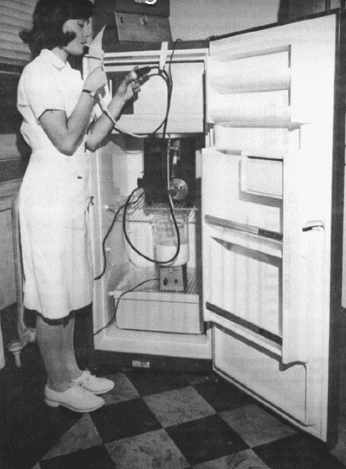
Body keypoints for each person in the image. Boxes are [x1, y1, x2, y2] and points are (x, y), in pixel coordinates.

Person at [17, 0, 141, 412]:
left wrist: (117, 99)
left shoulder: (69, 75)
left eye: (89, 23)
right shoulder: (37, 74)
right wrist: (90, 88)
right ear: (58, 23)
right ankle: (56, 385)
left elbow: (90, 139)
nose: (88, 31)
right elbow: (67, 139)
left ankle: (70, 372)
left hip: (70, 199)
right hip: (47, 200)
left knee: (68, 295)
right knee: (52, 302)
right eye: (81, 23)